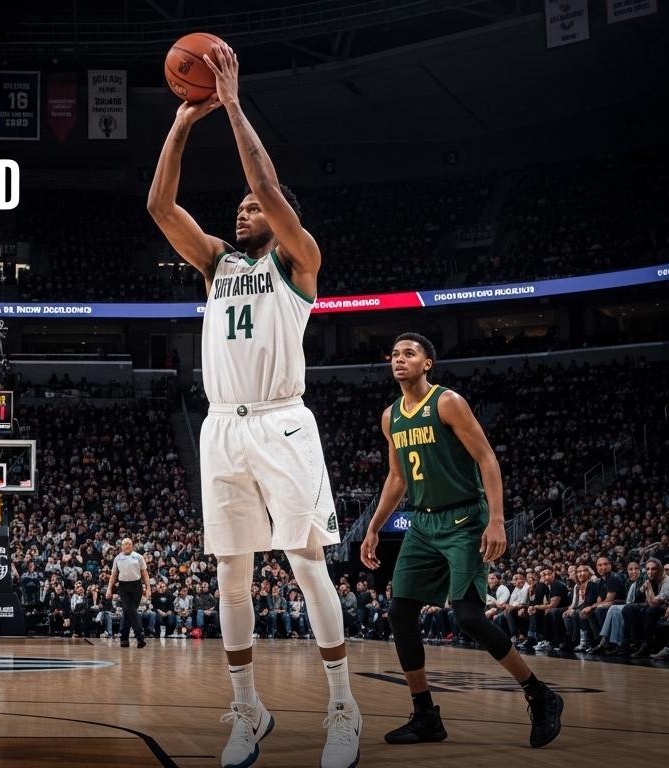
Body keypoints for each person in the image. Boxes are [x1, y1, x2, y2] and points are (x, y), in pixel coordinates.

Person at [147, 42, 357, 768]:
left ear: (278, 216)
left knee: (307, 566)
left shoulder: (298, 261)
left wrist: (233, 105)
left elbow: (266, 185)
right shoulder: (217, 264)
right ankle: (247, 709)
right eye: (236, 206)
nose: (241, 211)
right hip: (222, 428)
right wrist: (183, 121)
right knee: (229, 575)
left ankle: (342, 708)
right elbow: (159, 207)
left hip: (282, 421)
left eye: (250, 206)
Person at [361, 332, 563, 750]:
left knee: (469, 617)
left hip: (464, 520)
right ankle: (425, 716)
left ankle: (540, 694)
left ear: (427, 363)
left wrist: (497, 520)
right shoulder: (390, 416)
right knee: (400, 612)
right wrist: (374, 526)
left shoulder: (448, 402)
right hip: (421, 524)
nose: (399, 359)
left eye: (409, 353)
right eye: (395, 354)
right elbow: (397, 478)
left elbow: (487, 458)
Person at [105, 538, 149, 648]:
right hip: (123, 587)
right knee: (130, 609)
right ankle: (140, 636)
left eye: (129, 544)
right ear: (121, 546)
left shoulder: (138, 557)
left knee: (129, 611)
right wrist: (109, 589)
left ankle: (124, 638)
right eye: (125, 544)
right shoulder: (117, 558)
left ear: (132, 546)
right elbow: (114, 575)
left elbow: (144, 574)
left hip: (137, 586)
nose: (127, 546)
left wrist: (148, 588)